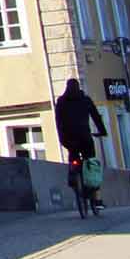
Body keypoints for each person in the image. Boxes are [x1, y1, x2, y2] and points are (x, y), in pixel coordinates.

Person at [55, 78, 107, 217]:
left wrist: (62, 139)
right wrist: (102, 131)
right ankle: (97, 199)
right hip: (85, 138)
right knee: (91, 164)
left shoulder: (61, 101)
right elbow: (96, 117)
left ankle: (73, 180)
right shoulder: (85, 99)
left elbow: (58, 122)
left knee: (73, 159)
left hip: (69, 139)